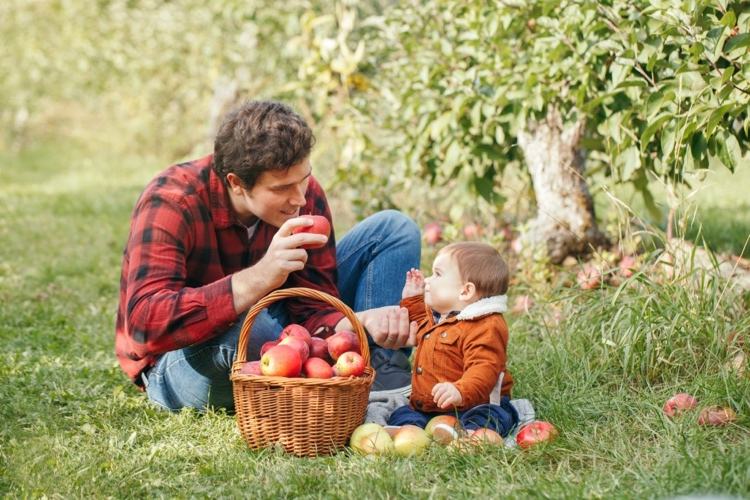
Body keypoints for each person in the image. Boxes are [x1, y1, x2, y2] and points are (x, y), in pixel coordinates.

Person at [115, 100, 420, 412]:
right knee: (252, 322)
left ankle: (374, 366)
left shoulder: (301, 193)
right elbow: (144, 324)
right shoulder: (173, 201)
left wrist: (358, 322)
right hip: (185, 360)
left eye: (304, 179)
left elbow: (312, 306)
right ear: (236, 183)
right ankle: (324, 376)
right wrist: (260, 277)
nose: (301, 198)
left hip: (284, 333)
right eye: (282, 188)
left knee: (394, 229)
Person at [387, 242, 519, 436]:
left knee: (490, 418)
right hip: (430, 405)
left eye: (437, 274)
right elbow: (420, 328)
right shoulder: (441, 316)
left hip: (474, 402)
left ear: (465, 291)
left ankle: (469, 435)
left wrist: (460, 391)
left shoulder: (486, 325)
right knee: (403, 414)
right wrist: (412, 299)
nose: (428, 281)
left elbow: (485, 368)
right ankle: (410, 432)